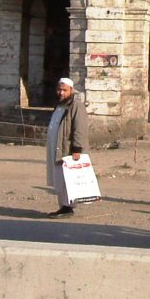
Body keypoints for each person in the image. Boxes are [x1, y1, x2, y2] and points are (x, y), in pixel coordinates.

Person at [46, 77, 89, 218]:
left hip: (68, 149)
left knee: (67, 179)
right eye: (59, 89)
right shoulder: (59, 105)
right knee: (59, 178)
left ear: (71, 90)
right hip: (57, 148)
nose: (61, 93)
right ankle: (63, 206)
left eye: (64, 90)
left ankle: (68, 207)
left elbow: (80, 128)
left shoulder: (76, 106)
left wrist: (77, 149)